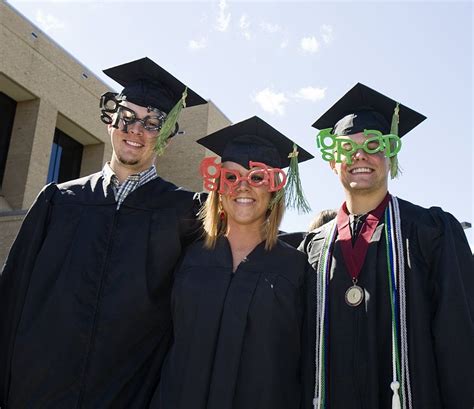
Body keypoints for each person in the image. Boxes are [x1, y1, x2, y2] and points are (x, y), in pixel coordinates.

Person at [0, 57, 207, 408]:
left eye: (152, 122)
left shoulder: (186, 213)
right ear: (111, 120)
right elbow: (13, 296)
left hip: (127, 395)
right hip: (36, 391)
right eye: (127, 116)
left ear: (167, 138)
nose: (136, 130)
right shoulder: (59, 200)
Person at [300, 83, 474, 409]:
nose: (360, 157)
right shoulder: (314, 248)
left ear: (390, 155)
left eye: (373, 145)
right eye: (347, 149)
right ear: (332, 162)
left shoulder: (432, 233)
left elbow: (460, 341)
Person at [152, 116, 313, 409]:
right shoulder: (187, 257)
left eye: (256, 177)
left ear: (274, 190)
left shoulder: (297, 268)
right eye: (231, 177)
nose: (242, 187)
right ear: (217, 185)